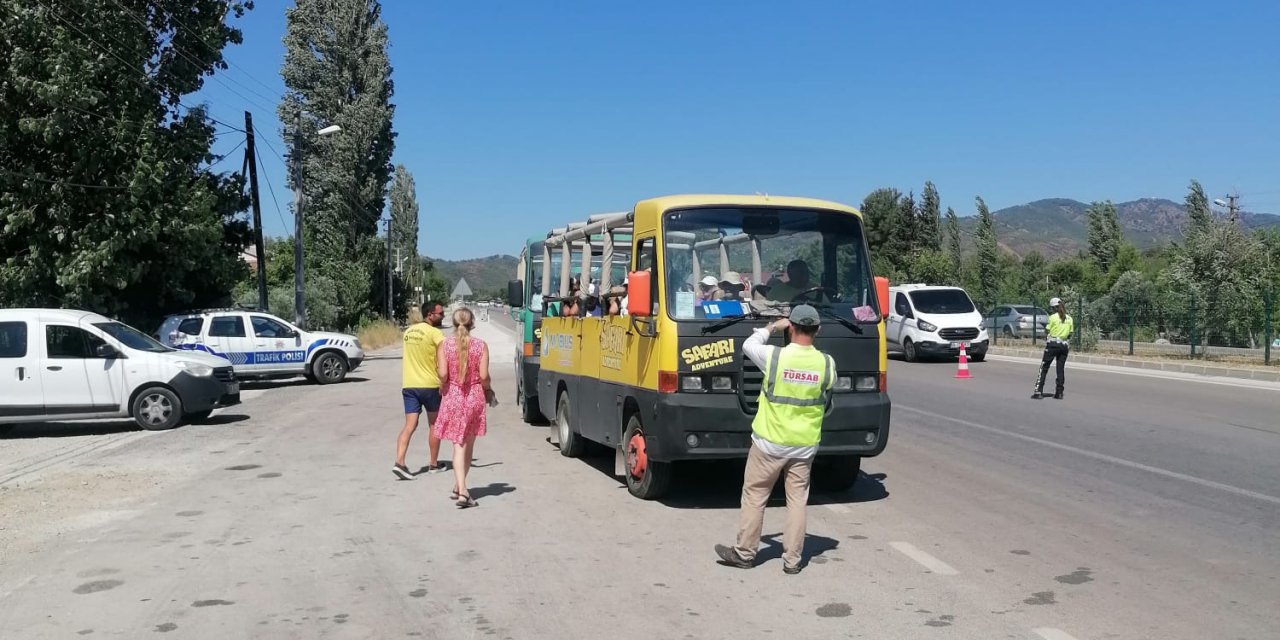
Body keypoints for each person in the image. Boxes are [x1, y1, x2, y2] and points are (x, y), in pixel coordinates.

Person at [714, 305, 834, 575]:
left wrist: (771, 327)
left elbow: (748, 344)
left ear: (791, 327)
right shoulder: (827, 363)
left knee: (756, 495)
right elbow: (826, 387)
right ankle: (792, 561)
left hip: (769, 442)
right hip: (804, 445)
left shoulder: (775, 358)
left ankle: (745, 553)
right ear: (818, 330)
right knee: (797, 501)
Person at [434, 308, 494, 508]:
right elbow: (484, 377)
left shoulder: (445, 345)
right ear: (472, 323)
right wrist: (488, 389)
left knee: (458, 445)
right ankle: (462, 490)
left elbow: (443, 374)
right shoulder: (480, 346)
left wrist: (444, 385)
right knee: (467, 444)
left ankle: (461, 489)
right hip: (474, 397)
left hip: (453, 396)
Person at [394, 303, 447, 480]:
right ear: (430, 315)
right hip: (430, 386)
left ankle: (399, 462)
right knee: (435, 425)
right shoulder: (436, 334)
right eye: (440, 313)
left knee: (409, 425)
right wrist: (445, 381)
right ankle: (433, 464)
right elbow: (442, 362)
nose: (443, 316)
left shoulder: (408, 332)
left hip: (409, 385)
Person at [1033, 297, 1074, 400]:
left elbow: (1047, 330)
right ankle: (1059, 392)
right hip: (1064, 346)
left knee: (1044, 367)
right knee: (1060, 369)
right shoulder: (1069, 318)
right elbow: (1070, 333)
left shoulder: (1052, 317)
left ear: (1054, 308)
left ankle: (1038, 391)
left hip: (1052, 344)